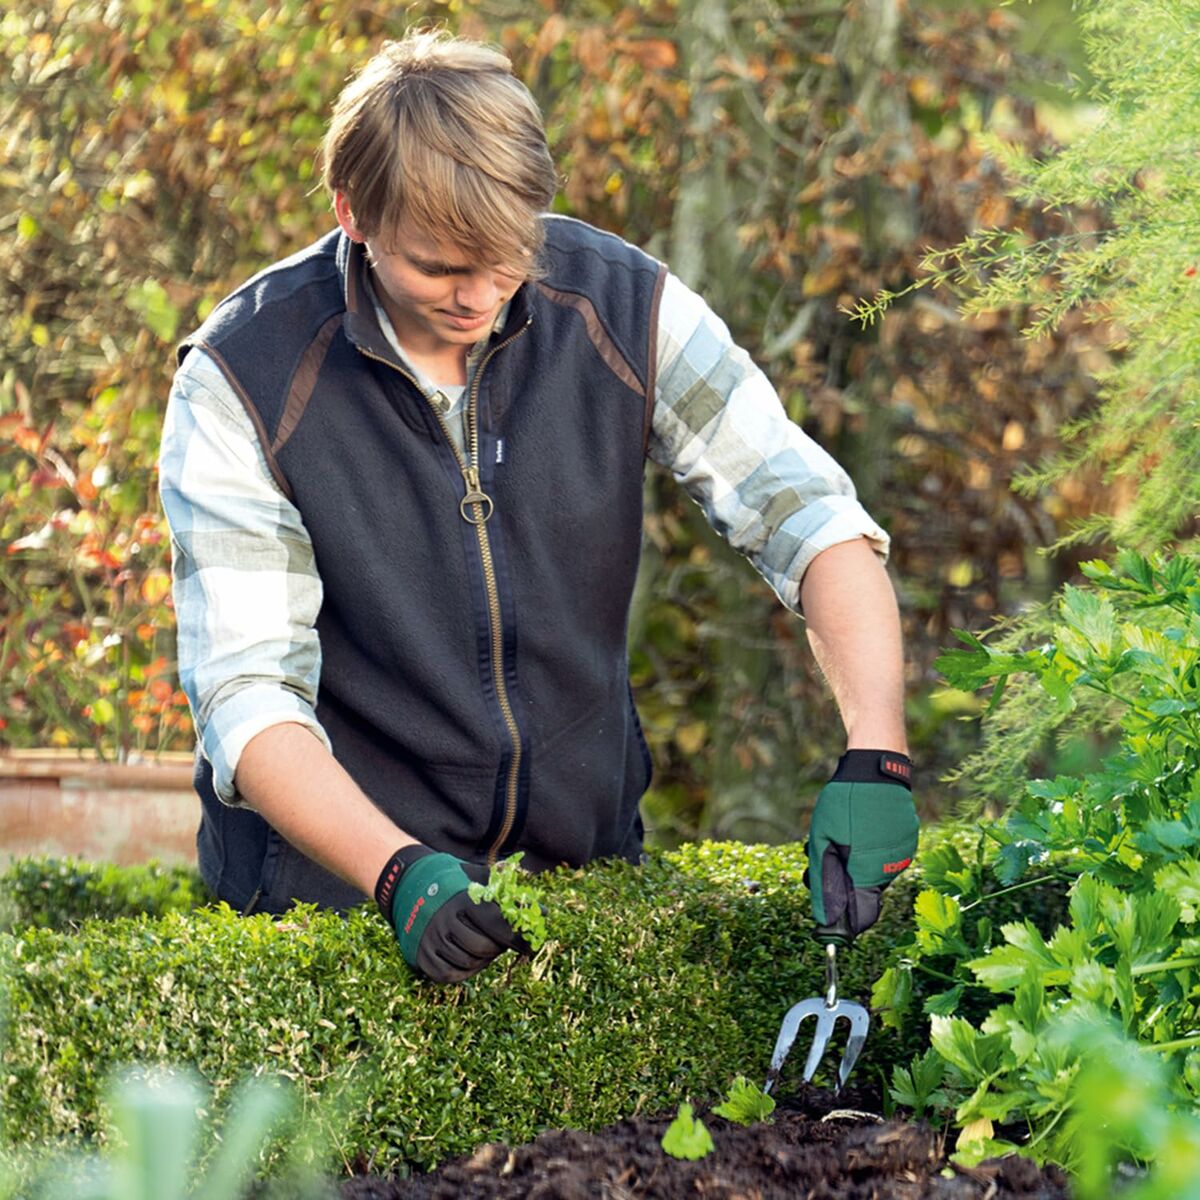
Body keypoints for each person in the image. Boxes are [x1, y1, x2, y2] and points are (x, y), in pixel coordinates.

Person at [159, 29, 918, 985]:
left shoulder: (623, 308)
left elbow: (807, 517)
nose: (479, 295)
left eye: (507, 253)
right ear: (353, 214)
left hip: (578, 879)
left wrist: (877, 749)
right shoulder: (247, 378)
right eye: (438, 267)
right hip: (336, 897)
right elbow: (245, 694)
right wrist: (397, 873)